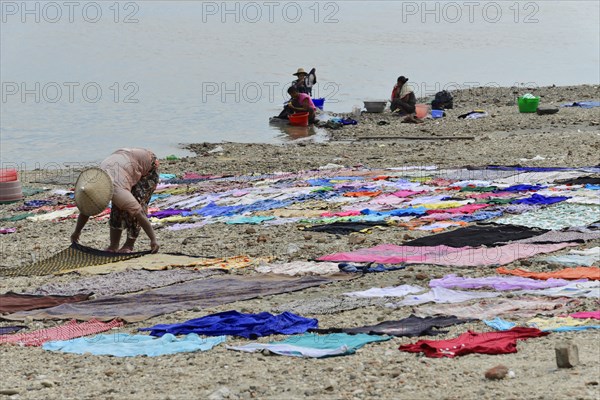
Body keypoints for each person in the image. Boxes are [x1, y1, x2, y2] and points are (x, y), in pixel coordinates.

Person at [71, 148, 160, 253]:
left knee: (136, 202)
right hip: (123, 160)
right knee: (117, 207)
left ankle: (129, 245)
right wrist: (77, 232)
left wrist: (153, 240)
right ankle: (113, 245)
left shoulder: (117, 189)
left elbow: (139, 212)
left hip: (148, 165)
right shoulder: (94, 183)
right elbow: (87, 209)